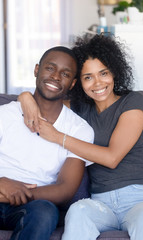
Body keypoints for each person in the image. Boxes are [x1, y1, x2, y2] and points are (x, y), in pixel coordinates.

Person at [18, 34, 143, 240]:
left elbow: (112, 158)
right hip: (101, 203)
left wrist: (58, 137)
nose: (97, 83)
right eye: (88, 77)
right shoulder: (81, 109)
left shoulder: (133, 102)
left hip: (140, 198)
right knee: (78, 211)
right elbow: (44, 101)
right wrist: (24, 97)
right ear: (79, 83)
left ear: (114, 72)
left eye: (103, 73)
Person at [0, 46, 94, 240]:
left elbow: (65, 189)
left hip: (34, 203)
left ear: (73, 83)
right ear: (37, 70)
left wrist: (18, 193)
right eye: (50, 68)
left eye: (65, 74)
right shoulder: (5, 115)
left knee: (45, 212)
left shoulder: (79, 129)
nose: (56, 77)